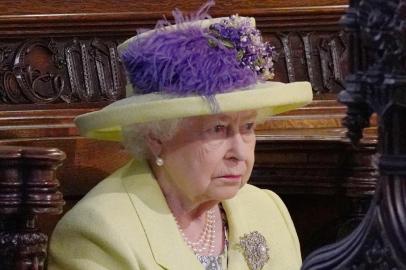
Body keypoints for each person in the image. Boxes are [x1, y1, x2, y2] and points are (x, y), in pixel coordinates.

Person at [48, 1, 312, 269]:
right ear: (156, 138)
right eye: (218, 129)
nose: (240, 154)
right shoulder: (99, 232)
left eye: (247, 127)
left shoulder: (267, 209)